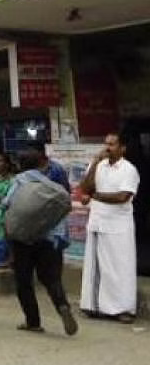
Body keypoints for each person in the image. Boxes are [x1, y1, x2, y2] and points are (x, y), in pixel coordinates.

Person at [2, 149, 76, 335]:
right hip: (48, 238)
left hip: (23, 240)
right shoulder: (50, 184)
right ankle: (62, 306)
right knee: (51, 278)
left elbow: (7, 205)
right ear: (41, 165)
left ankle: (32, 321)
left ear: (19, 165)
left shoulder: (18, 181)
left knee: (24, 281)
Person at [79, 133, 141, 323]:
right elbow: (85, 187)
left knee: (120, 267)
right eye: (106, 144)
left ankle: (123, 309)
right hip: (98, 222)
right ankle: (94, 306)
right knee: (96, 267)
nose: (107, 148)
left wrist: (96, 196)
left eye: (112, 145)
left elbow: (123, 197)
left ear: (122, 148)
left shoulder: (128, 169)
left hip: (119, 226)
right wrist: (96, 162)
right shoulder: (98, 165)